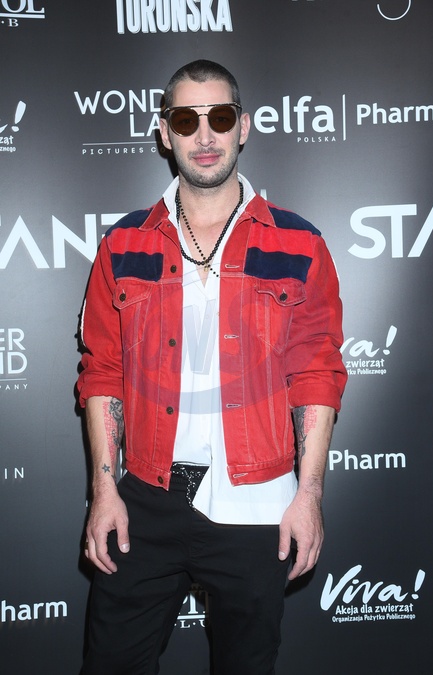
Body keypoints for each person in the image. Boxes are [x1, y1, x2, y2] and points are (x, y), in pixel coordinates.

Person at [77, 59, 347, 675]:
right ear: (164, 133)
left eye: (220, 117)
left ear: (243, 128)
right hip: (146, 497)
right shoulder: (122, 245)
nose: (205, 135)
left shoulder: (300, 244)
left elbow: (315, 374)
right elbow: (102, 372)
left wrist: (308, 494)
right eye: (186, 120)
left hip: (258, 502)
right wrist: (104, 491)